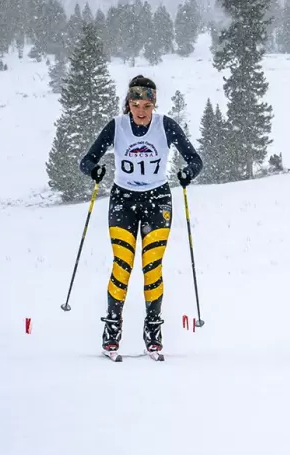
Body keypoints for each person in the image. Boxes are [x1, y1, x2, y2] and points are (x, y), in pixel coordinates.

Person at [79, 75, 202, 359]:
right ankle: (111, 332)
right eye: (135, 105)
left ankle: (153, 333)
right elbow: (87, 160)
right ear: (128, 104)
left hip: (157, 201)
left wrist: (187, 173)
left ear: (154, 104)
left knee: (152, 266)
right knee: (122, 265)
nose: (141, 111)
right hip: (123, 201)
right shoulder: (117, 126)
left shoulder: (165, 126)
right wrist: (94, 171)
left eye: (147, 105)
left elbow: (196, 160)